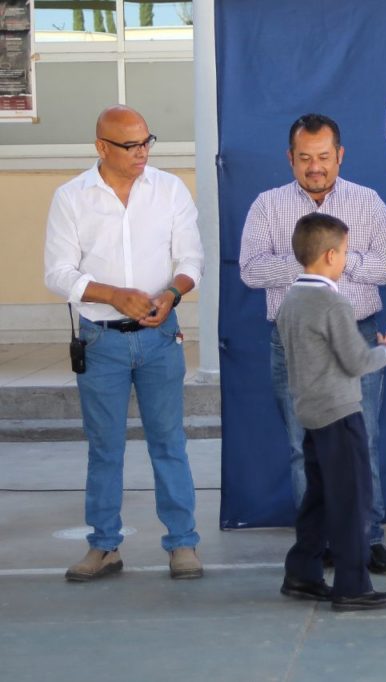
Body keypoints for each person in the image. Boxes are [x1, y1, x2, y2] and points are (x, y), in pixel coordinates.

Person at [43, 105, 205, 581]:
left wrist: (171, 295)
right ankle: (105, 546)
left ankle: (182, 544)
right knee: (105, 447)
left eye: (146, 142)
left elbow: (191, 258)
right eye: (130, 145)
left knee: (169, 443)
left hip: (160, 339)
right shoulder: (72, 197)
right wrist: (113, 295)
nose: (142, 153)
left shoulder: (170, 189)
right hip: (101, 340)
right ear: (101, 147)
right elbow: (58, 273)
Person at [239, 113, 386, 574]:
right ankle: (320, 543)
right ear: (290, 158)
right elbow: (251, 270)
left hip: (356, 333)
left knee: (364, 442)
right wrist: (318, 262)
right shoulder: (268, 206)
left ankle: (368, 539)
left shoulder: (367, 202)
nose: (315, 167)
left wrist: (338, 262)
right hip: (294, 343)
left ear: (340, 156)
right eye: (305, 158)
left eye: (324, 157)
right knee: (302, 445)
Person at [277, 212, 386, 611]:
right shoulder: (332, 302)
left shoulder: (291, 299)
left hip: (311, 413)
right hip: (339, 413)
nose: (347, 259)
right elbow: (355, 363)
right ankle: (352, 584)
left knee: (319, 496)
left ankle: (302, 571)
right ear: (331, 256)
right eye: (347, 252)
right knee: (352, 499)